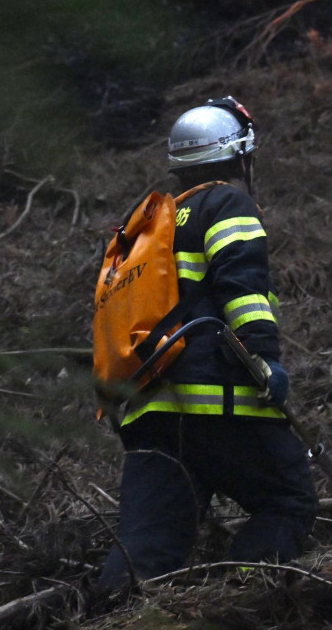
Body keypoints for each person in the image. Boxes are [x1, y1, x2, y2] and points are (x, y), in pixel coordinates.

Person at [97, 97, 315, 590]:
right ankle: (242, 596)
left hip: (148, 410)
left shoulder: (144, 223)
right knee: (287, 500)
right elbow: (242, 290)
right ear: (239, 155)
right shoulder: (226, 204)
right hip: (220, 403)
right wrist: (264, 361)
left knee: (146, 548)